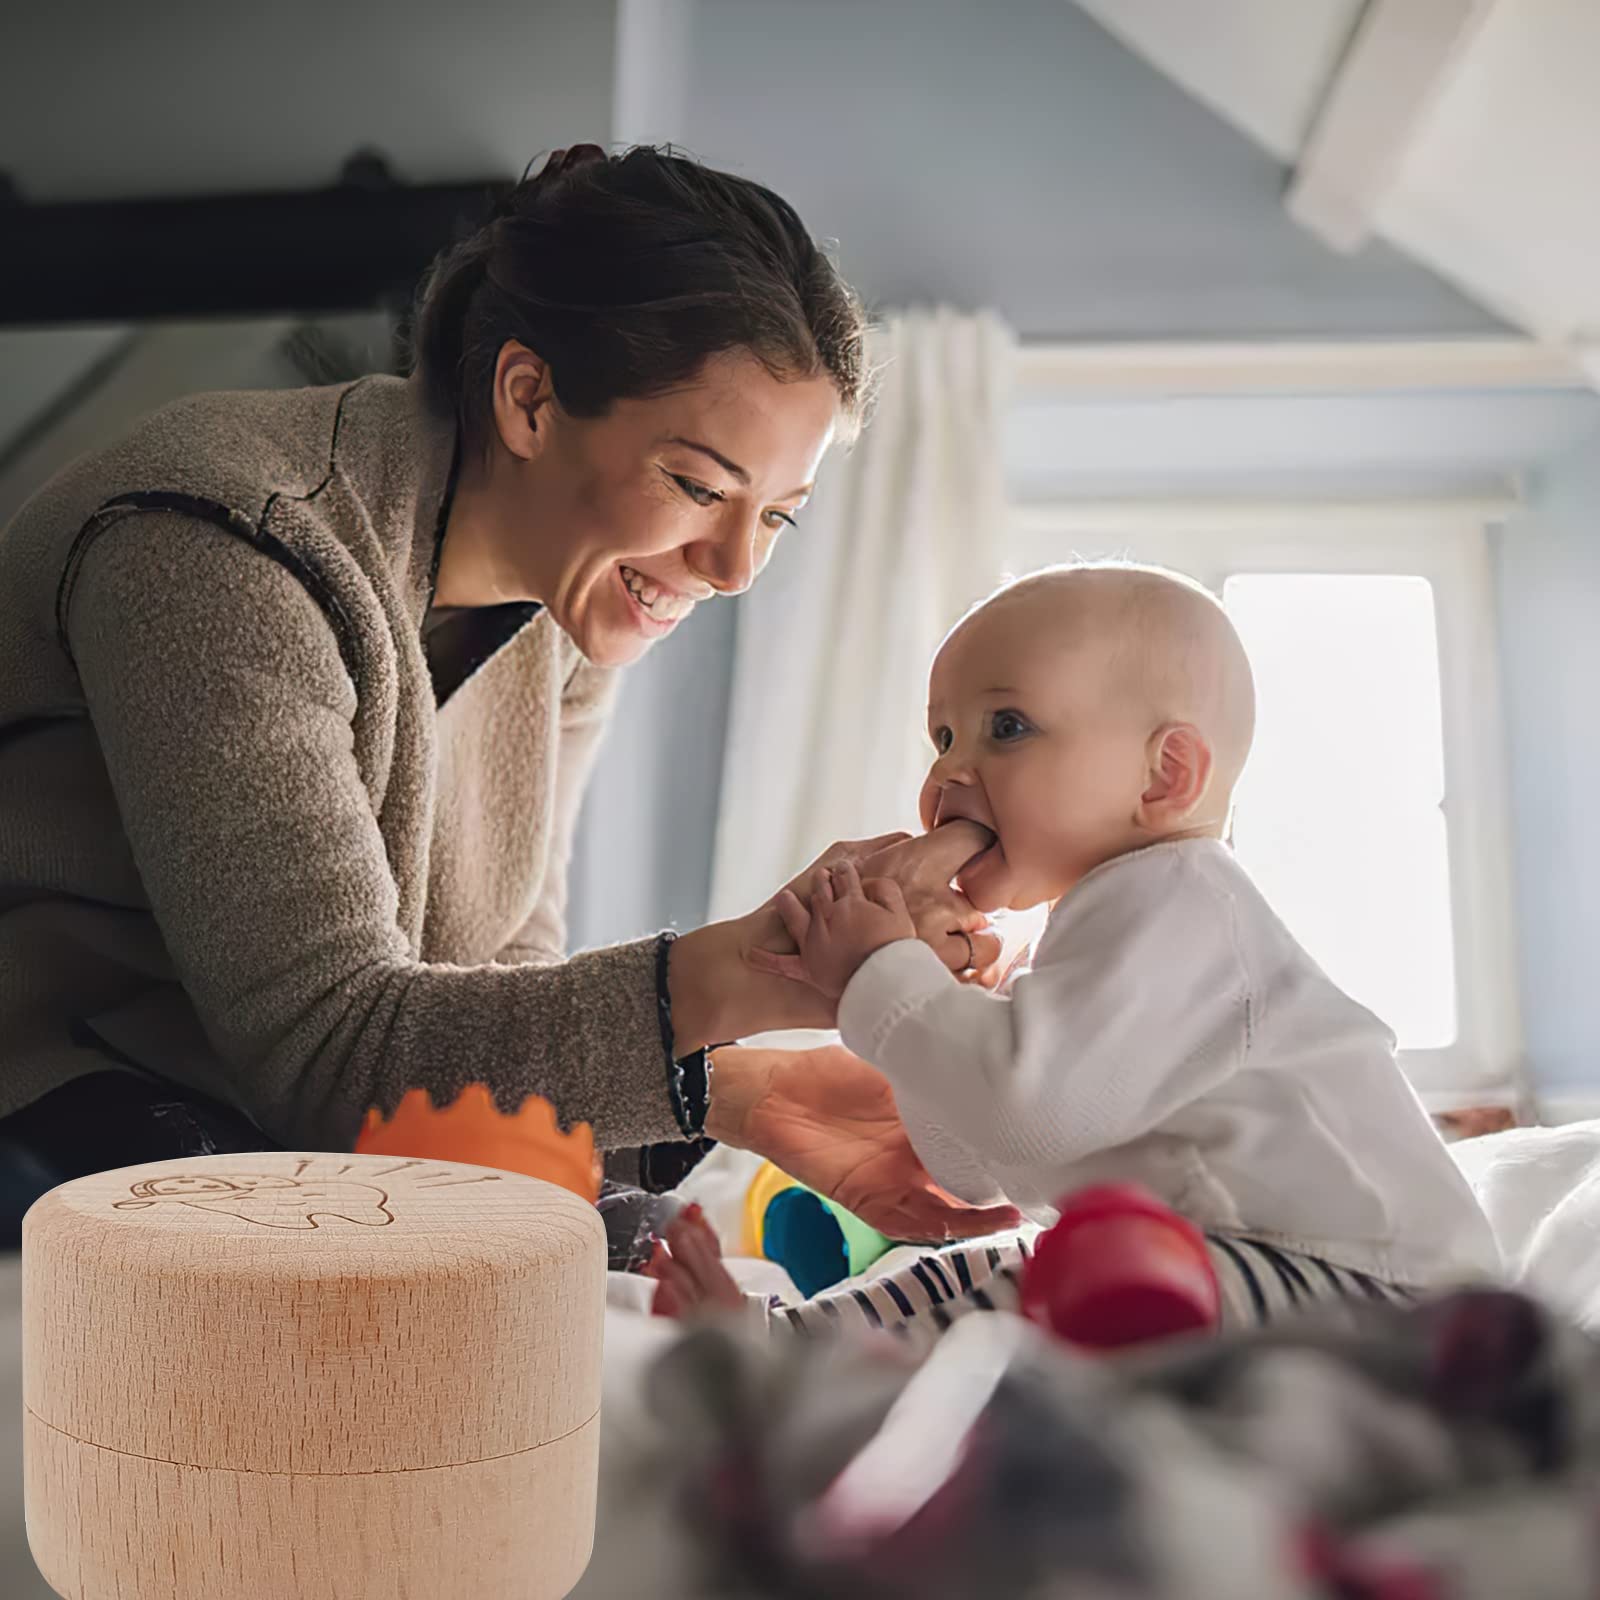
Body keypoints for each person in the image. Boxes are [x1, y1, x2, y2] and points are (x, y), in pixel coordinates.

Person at [0, 143, 1017, 1248]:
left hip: (289, 1116)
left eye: (774, 516)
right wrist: (774, 958)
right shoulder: (219, 546)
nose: (733, 568)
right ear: (529, 398)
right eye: (697, 486)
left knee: (642, 1259)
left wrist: (738, 1093)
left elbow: (485, 1000)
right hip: (70, 1103)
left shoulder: (567, 618)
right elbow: (333, 1057)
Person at [649, 563, 1501, 1339]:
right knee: (981, 1268)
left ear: (1165, 778)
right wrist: (959, 1014)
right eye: (942, 738)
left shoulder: (1181, 902)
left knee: (1054, 1288)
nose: (950, 772)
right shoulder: (1094, 925)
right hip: (1244, 1269)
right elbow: (984, 1163)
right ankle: (787, 1349)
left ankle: (804, 1375)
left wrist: (885, 978)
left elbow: (1029, 1109)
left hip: (1376, 1296)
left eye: (1007, 727)